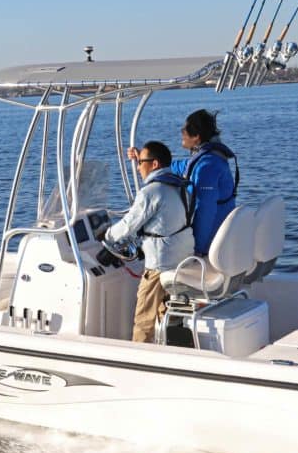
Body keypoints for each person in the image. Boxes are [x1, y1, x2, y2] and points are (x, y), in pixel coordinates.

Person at [101, 141, 194, 343]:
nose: (137, 167)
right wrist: (139, 154)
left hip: (160, 264)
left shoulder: (151, 192)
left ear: (154, 164)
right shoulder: (178, 186)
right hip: (182, 258)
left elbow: (128, 225)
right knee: (168, 314)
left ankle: (137, 362)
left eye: (140, 162)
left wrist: (106, 237)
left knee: (143, 319)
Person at [171, 109, 239, 256]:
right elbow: (183, 166)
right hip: (222, 237)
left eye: (185, 129)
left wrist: (196, 249)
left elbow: (205, 211)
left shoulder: (207, 167)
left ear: (196, 136)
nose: (181, 131)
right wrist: (149, 161)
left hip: (213, 244)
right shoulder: (208, 159)